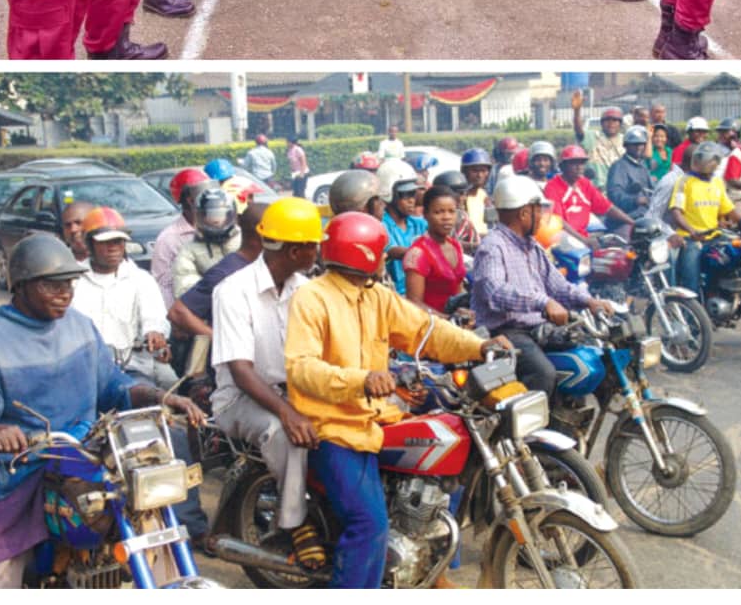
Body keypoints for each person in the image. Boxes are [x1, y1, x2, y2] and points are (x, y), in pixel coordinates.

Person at [285, 211, 511, 589]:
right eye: (378, 252)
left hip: (379, 419)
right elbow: (301, 368)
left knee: (444, 475)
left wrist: (480, 345)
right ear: (362, 254)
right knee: (369, 524)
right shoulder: (312, 298)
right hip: (335, 428)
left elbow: (427, 331)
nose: (383, 259)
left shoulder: (376, 296)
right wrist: (362, 380)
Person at [0, 233, 204, 588]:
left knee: (155, 523)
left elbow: (112, 386)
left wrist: (159, 397)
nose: (65, 293)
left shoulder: (80, 326)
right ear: (20, 285)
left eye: (68, 284)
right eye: (52, 286)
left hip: (86, 457)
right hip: (20, 472)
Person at [211, 197, 325, 569]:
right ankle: (296, 523)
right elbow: (241, 371)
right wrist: (287, 412)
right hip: (239, 400)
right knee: (284, 432)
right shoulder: (232, 291)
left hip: (294, 392)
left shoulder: (304, 287)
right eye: (313, 243)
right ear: (295, 250)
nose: (317, 249)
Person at [472, 176, 613, 399]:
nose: (542, 217)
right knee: (543, 373)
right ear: (523, 213)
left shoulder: (533, 247)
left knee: (591, 356)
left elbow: (558, 285)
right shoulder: (493, 247)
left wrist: (589, 301)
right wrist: (543, 302)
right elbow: (495, 292)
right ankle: (532, 432)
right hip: (506, 331)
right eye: (538, 210)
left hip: (537, 328)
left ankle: (571, 418)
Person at [70, 207, 176, 388]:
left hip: (133, 367)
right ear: (89, 244)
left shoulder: (141, 279)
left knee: (171, 388)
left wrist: (154, 333)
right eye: (105, 242)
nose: (113, 248)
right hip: (83, 369)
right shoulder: (73, 280)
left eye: (118, 241)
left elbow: (155, 316)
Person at [167, 200, 267, 338]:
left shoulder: (237, 244)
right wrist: (222, 341)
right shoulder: (227, 272)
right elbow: (178, 312)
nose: (216, 221)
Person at [669, 141, 739, 293]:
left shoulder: (717, 182)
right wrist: (691, 230)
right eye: (699, 158)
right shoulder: (684, 181)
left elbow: (729, 209)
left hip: (714, 237)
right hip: (691, 239)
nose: (702, 162)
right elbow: (676, 211)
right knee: (691, 284)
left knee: (736, 263)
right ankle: (690, 314)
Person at [544, 146, 634, 243]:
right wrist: (583, 240)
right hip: (563, 240)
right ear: (563, 166)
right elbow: (558, 221)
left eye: (582, 163)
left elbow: (607, 207)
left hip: (584, 237)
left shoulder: (584, 183)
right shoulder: (552, 187)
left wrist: (632, 222)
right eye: (574, 163)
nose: (579, 167)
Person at [404, 185, 468, 317]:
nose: (447, 217)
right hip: (430, 327)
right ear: (425, 214)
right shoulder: (418, 253)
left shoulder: (455, 246)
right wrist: (447, 320)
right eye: (438, 212)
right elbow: (414, 303)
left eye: (451, 211)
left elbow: (458, 291)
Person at [151, 170, 210, 309]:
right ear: (190, 200)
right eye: (205, 192)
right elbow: (163, 286)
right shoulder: (169, 238)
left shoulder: (220, 228)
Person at [172, 186, 241, 300]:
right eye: (210, 215)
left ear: (230, 215)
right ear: (201, 216)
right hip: (210, 310)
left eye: (219, 215)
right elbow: (185, 290)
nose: (215, 220)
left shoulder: (244, 241)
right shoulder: (189, 250)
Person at [377, 158, 427, 293]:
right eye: (405, 194)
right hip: (396, 294)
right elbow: (392, 251)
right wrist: (429, 252)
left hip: (423, 289)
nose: (412, 200)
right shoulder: (382, 226)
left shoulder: (419, 224)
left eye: (413, 194)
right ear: (389, 194)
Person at [572, 92, 625, 190]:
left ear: (620, 124)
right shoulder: (593, 136)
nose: (611, 123)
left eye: (615, 120)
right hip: (595, 190)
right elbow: (579, 131)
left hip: (618, 191)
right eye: (607, 120)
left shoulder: (625, 140)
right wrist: (577, 111)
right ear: (602, 123)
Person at [606, 126, 654, 221]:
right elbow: (614, 194)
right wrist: (635, 200)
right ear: (626, 145)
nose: (639, 147)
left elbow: (651, 189)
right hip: (626, 218)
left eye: (641, 144)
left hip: (645, 215)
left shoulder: (642, 166)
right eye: (634, 144)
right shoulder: (619, 166)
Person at [432, 169, 478, 251]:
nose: (464, 198)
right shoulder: (430, 217)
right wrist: (472, 246)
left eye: (465, 194)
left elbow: (474, 239)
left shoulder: (462, 216)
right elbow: (443, 244)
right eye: (460, 194)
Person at [460, 147, 494, 234]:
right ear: (464, 172)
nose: (479, 175)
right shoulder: (460, 197)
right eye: (475, 171)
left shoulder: (483, 195)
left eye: (483, 171)